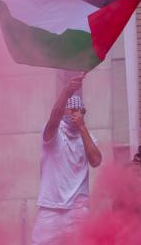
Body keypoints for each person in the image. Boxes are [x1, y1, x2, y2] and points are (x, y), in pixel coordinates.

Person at [31, 74, 102, 245]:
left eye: (80, 111)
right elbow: (54, 118)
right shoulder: (54, 133)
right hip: (50, 209)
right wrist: (66, 91)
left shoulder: (87, 136)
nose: (76, 114)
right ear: (65, 110)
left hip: (78, 211)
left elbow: (96, 161)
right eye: (72, 110)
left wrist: (82, 127)